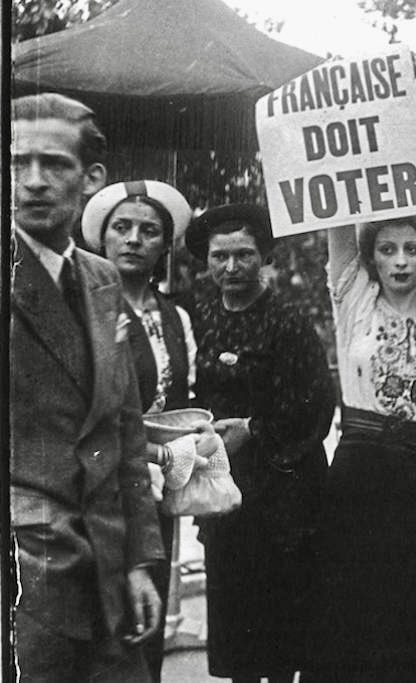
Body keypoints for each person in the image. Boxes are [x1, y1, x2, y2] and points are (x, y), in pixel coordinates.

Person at [10, 92, 165, 682]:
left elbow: (123, 429)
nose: (34, 182)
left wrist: (137, 563)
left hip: (106, 571)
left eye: (55, 164)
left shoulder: (101, 279)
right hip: (25, 578)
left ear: (91, 176)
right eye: (17, 164)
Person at [309, 213, 416, 681]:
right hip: (359, 473)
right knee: (353, 614)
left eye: (412, 249)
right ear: (370, 257)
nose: (400, 261)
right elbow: (335, 219)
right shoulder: (354, 298)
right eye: (387, 249)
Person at [185, 204, 336, 683]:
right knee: (238, 621)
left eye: (244, 255)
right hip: (223, 489)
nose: (231, 268)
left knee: (286, 619)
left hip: (285, 493)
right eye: (219, 256)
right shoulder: (198, 316)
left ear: (264, 256)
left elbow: (317, 403)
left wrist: (253, 429)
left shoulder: (287, 321)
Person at [80, 179, 212, 682]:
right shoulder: (86, 307)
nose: (134, 238)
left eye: (149, 230)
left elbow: (186, 398)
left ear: (163, 246)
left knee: (148, 619)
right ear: (103, 238)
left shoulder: (176, 315)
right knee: (102, 623)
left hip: (158, 486)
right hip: (98, 489)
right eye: (123, 228)